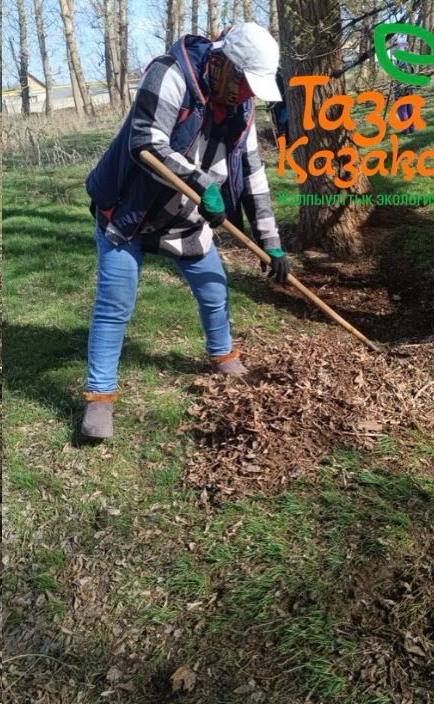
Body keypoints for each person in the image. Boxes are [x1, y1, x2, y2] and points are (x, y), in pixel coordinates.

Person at [81, 22, 290, 439]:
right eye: (246, 84)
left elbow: (253, 174)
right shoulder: (171, 74)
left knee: (214, 288)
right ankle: (99, 399)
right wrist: (202, 184)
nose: (248, 95)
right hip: (129, 213)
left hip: (186, 217)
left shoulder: (243, 110)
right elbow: (146, 142)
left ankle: (223, 354)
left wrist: (271, 243)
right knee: (115, 305)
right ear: (224, 64)